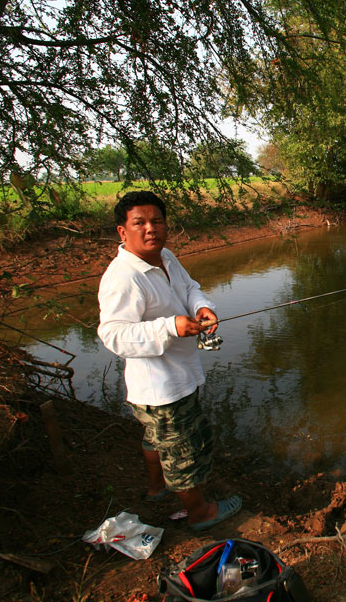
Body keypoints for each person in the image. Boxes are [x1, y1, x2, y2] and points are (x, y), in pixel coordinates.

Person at [97, 190, 241, 531]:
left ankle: (157, 487)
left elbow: (190, 288)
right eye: (140, 223)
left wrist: (201, 308)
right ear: (123, 232)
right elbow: (113, 335)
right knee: (180, 450)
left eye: (157, 221)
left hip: (180, 375)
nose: (151, 229)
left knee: (155, 437)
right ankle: (200, 512)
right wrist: (170, 326)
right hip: (160, 388)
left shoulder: (166, 257)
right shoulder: (123, 277)